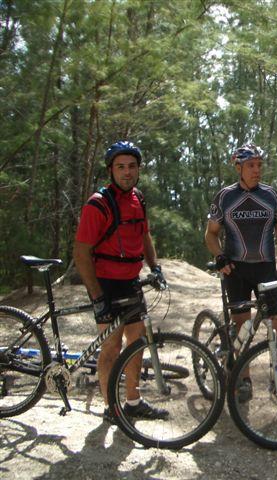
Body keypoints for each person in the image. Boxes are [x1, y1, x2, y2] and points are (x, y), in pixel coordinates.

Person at [205, 143, 277, 402]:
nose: (257, 170)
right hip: (236, 270)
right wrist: (219, 256)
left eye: (259, 165)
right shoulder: (225, 196)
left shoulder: (271, 195)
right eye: (251, 165)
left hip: (266, 268)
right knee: (243, 326)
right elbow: (211, 235)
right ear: (238, 167)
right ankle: (243, 380)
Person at [73, 140, 168, 423]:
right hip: (107, 283)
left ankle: (133, 401)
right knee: (112, 348)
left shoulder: (138, 198)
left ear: (138, 169)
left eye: (132, 167)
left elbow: (144, 235)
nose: (127, 172)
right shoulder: (98, 204)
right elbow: (81, 253)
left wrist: (155, 267)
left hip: (131, 281)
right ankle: (111, 407)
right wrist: (98, 297)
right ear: (111, 170)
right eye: (120, 167)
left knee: (136, 342)